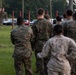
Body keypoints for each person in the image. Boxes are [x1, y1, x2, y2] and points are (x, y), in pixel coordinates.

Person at [31, 8, 52, 75]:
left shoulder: (35, 24)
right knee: (47, 60)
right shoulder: (48, 23)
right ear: (43, 13)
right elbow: (51, 34)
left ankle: (41, 73)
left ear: (37, 14)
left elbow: (33, 36)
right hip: (47, 43)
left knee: (39, 60)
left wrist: (32, 45)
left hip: (38, 44)